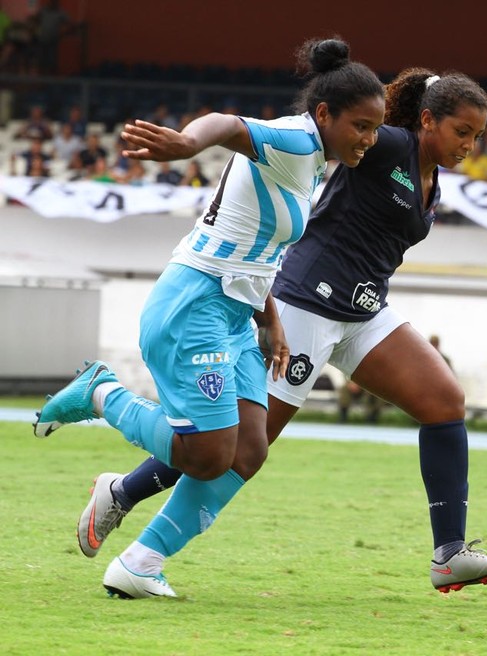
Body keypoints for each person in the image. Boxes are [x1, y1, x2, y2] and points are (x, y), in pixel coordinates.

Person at [58, 63, 487, 596]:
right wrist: (193, 143)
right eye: (462, 132)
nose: (470, 145)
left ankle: (449, 554)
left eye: (478, 136)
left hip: (364, 311)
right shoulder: (387, 144)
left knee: (443, 401)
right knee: (243, 448)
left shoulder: (428, 177)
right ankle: (137, 548)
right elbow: (290, 134)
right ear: (427, 121)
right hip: (305, 305)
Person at [33, 37, 389, 599]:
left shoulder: (318, 160)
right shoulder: (297, 140)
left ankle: (140, 565)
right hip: (193, 305)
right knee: (206, 456)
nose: (369, 140)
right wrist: (185, 144)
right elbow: (226, 124)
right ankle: (100, 393)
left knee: (248, 451)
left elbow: (256, 246)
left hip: (236, 311)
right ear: (324, 113)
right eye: (361, 126)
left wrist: (269, 318)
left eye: (376, 128)